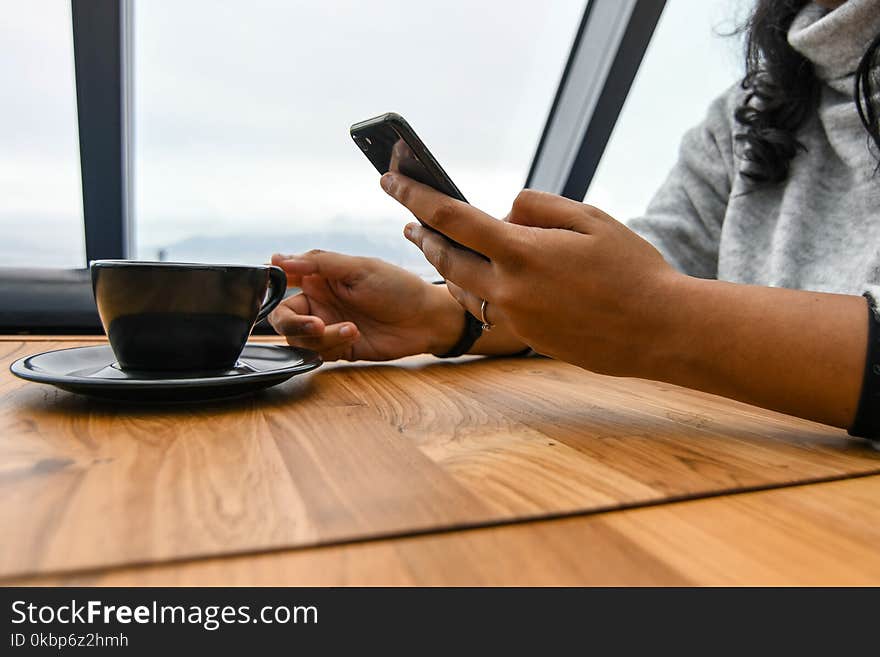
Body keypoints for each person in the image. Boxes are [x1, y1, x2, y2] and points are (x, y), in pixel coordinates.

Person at [269, 0, 880, 436]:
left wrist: (657, 316)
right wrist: (446, 316)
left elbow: (654, 305)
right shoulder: (747, 113)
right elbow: (646, 279)